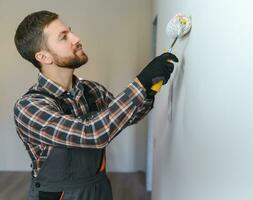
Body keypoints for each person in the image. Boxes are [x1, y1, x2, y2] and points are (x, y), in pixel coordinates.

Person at [13, 10, 178, 200]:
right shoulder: (29, 107)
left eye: (70, 31)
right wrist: (139, 84)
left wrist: (148, 90)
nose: (76, 38)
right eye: (63, 37)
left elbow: (127, 116)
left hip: (99, 189)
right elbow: (92, 133)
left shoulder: (91, 90)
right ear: (43, 57)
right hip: (59, 195)